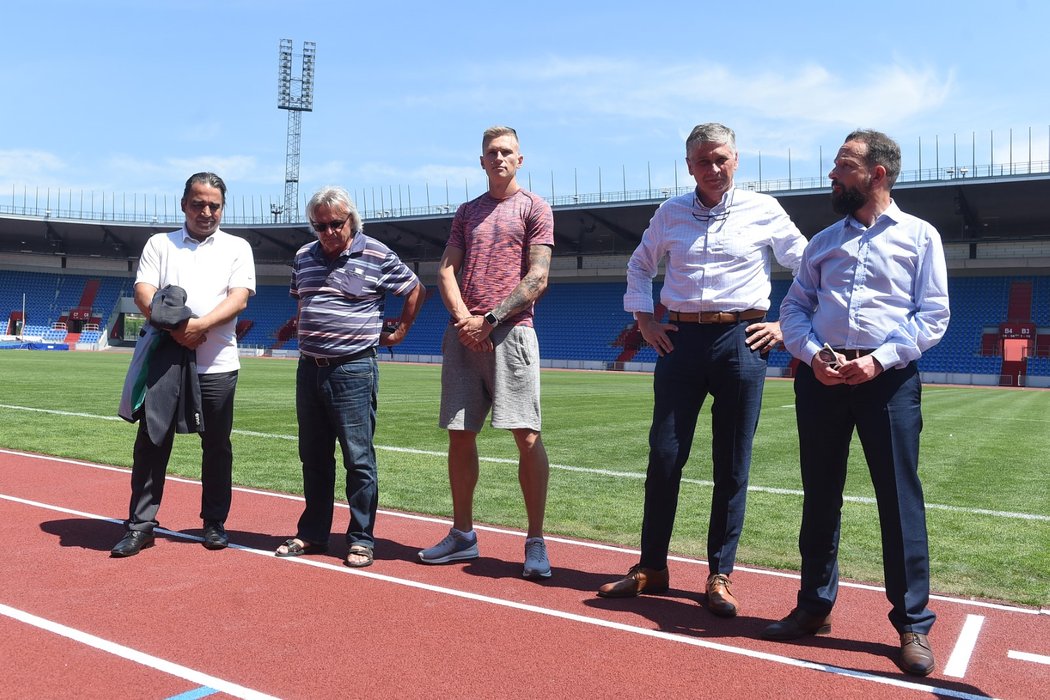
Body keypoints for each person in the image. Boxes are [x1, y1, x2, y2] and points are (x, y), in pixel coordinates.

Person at [597, 123, 807, 616]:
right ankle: (651, 566)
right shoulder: (669, 213)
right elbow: (639, 265)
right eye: (703, 161)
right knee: (665, 455)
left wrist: (782, 325)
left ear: (737, 159)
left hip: (743, 339)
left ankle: (720, 574)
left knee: (731, 464)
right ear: (688, 165)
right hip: (680, 340)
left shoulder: (764, 209)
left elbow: (808, 265)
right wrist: (645, 319)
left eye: (722, 159)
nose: (714, 169)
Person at [764, 130, 950, 677]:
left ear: (877, 173)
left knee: (898, 500)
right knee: (820, 495)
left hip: (887, 381)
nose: (832, 175)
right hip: (821, 378)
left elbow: (932, 314)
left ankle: (912, 623)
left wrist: (879, 359)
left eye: (843, 165)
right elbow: (794, 308)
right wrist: (813, 353)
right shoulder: (822, 243)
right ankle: (814, 605)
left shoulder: (920, 237)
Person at [417, 126, 555, 579]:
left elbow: (537, 278)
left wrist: (488, 320)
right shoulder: (467, 212)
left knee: (527, 435)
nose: (499, 158)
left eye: (507, 152)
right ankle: (462, 535)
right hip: (464, 335)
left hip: (511, 333)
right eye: (492, 152)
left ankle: (535, 541)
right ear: (481, 161)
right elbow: (446, 270)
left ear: (520, 159)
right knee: (460, 434)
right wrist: (464, 321)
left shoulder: (534, 207)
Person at [275, 186, 425, 568]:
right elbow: (305, 297)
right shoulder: (303, 257)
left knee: (358, 458)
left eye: (335, 224)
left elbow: (414, 289)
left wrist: (401, 332)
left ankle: (360, 538)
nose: (327, 232)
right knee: (313, 456)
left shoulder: (374, 253)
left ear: (351, 221)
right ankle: (313, 534)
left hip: (353, 368)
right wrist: (299, 324)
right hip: (309, 367)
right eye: (319, 225)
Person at [111, 172, 256, 557]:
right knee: (152, 443)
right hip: (164, 362)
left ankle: (214, 523)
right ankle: (141, 525)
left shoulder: (237, 247)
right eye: (198, 203)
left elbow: (239, 298)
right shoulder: (161, 244)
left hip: (217, 364)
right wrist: (178, 331)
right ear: (183, 204)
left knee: (217, 446)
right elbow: (144, 293)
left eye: (214, 205)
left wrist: (198, 328)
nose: (206, 211)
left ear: (223, 208)